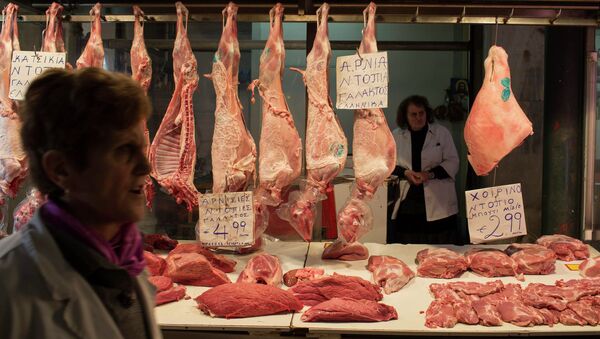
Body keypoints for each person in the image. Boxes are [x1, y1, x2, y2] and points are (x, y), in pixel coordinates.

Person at [0, 68, 162, 339]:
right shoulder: (8, 285)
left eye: (142, 150)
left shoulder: (126, 265)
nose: (145, 167)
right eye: (123, 150)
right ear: (61, 169)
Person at [388, 95, 459, 244]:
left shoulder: (442, 133)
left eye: (422, 113)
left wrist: (429, 174)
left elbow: (453, 162)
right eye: (413, 114)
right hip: (408, 199)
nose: (418, 118)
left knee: (440, 248)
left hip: (439, 199)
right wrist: (405, 173)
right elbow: (388, 164)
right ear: (405, 116)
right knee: (408, 245)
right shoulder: (396, 136)